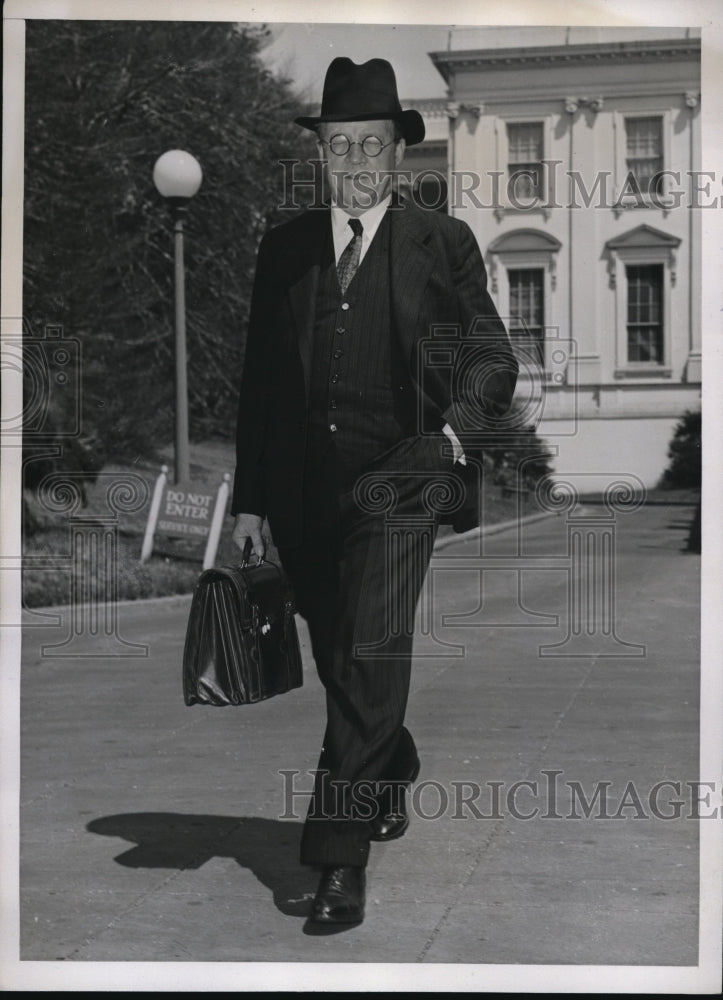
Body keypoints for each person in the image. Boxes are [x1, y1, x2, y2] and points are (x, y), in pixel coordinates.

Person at [231, 57, 518, 926]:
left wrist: (450, 438)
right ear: (320, 153)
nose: (353, 159)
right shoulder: (283, 248)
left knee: (368, 657)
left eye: (370, 144)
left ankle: (336, 861)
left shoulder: (441, 242)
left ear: (397, 154)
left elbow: (491, 359)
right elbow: (260, 383)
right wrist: (250, 501)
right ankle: (388, 760)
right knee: (340, 661)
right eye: (338, 144)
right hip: (301, 493)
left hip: (401, 483)